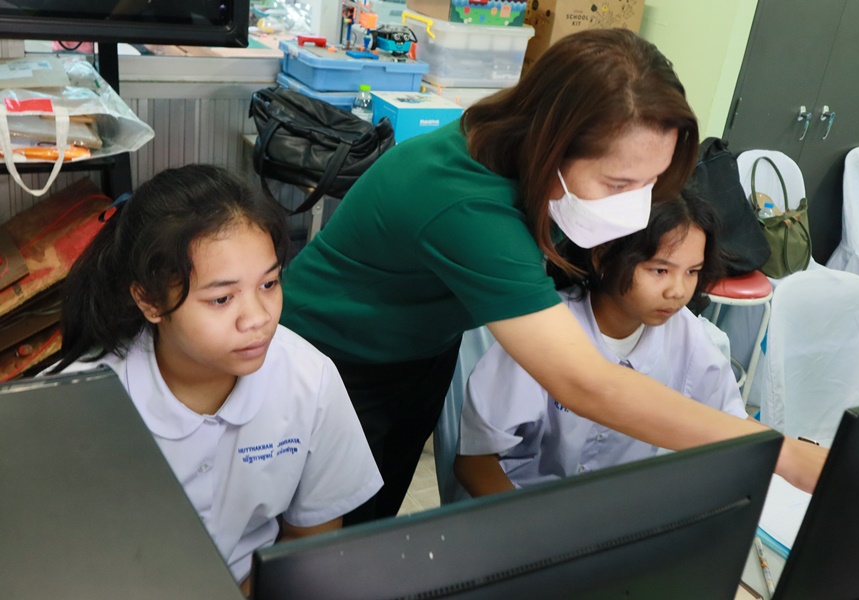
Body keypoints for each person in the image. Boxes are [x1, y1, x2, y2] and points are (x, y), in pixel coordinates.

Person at [279, 28, 827, 524]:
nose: (635, 206)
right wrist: (783, 453)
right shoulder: (465, 204)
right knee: (317, 537)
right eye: (618, 184)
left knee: (370, 518)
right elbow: (587, 383)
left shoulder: (532, 163)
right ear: (553, 144)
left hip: (421, 350)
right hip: (336, 357)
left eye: (651, 181)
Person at [48, 165, 382, 593]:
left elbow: (309, 541)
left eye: (269, 284)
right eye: (222, 298)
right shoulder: (75, 403)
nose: (258, 318)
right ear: (150, 301)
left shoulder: (308, 379)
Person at [454, 190, 750, 496]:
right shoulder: (546, 329)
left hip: (614, 508)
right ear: (603, 257)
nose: (677, 290)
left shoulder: (686, 333)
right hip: (525, 503)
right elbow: (474, 460)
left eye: (692, 272)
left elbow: (735, 427)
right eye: (659, 270)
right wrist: (530, 522)